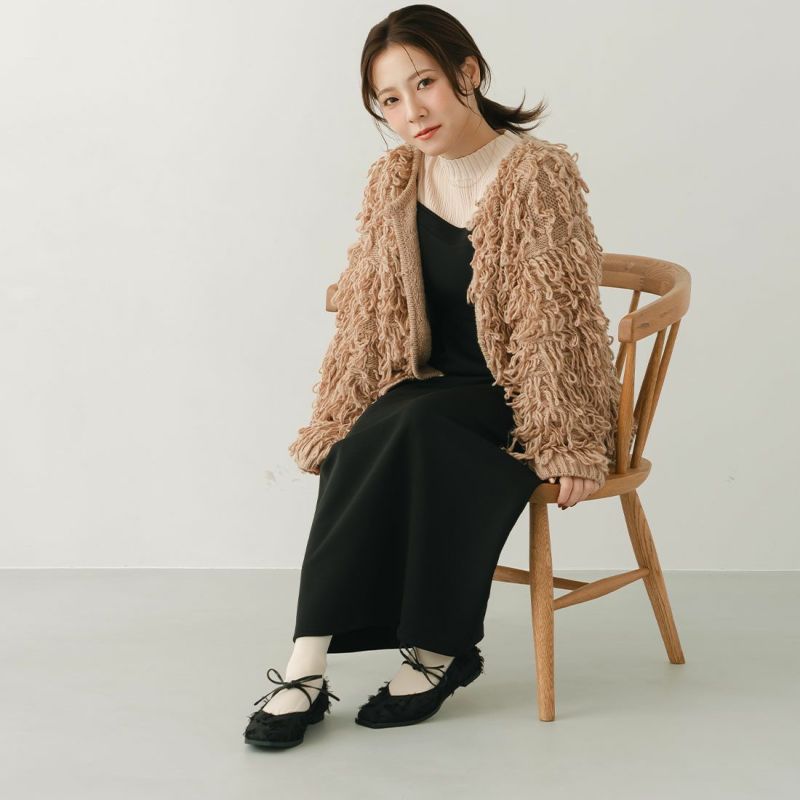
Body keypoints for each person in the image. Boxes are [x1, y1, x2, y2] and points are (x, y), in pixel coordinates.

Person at [244, 3, 622, 748]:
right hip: (436, 388)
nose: (411, 111)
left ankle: (439, 652)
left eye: (424, 84)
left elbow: (561, 318)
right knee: (364, 433)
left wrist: (570, 437)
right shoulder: (396, 178)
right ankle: (306, 663)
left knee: (418, 422)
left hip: (522, 396)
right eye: (389, 99)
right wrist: (337, 415)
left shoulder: (536, 174)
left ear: (467, 74)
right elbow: (370, 310)